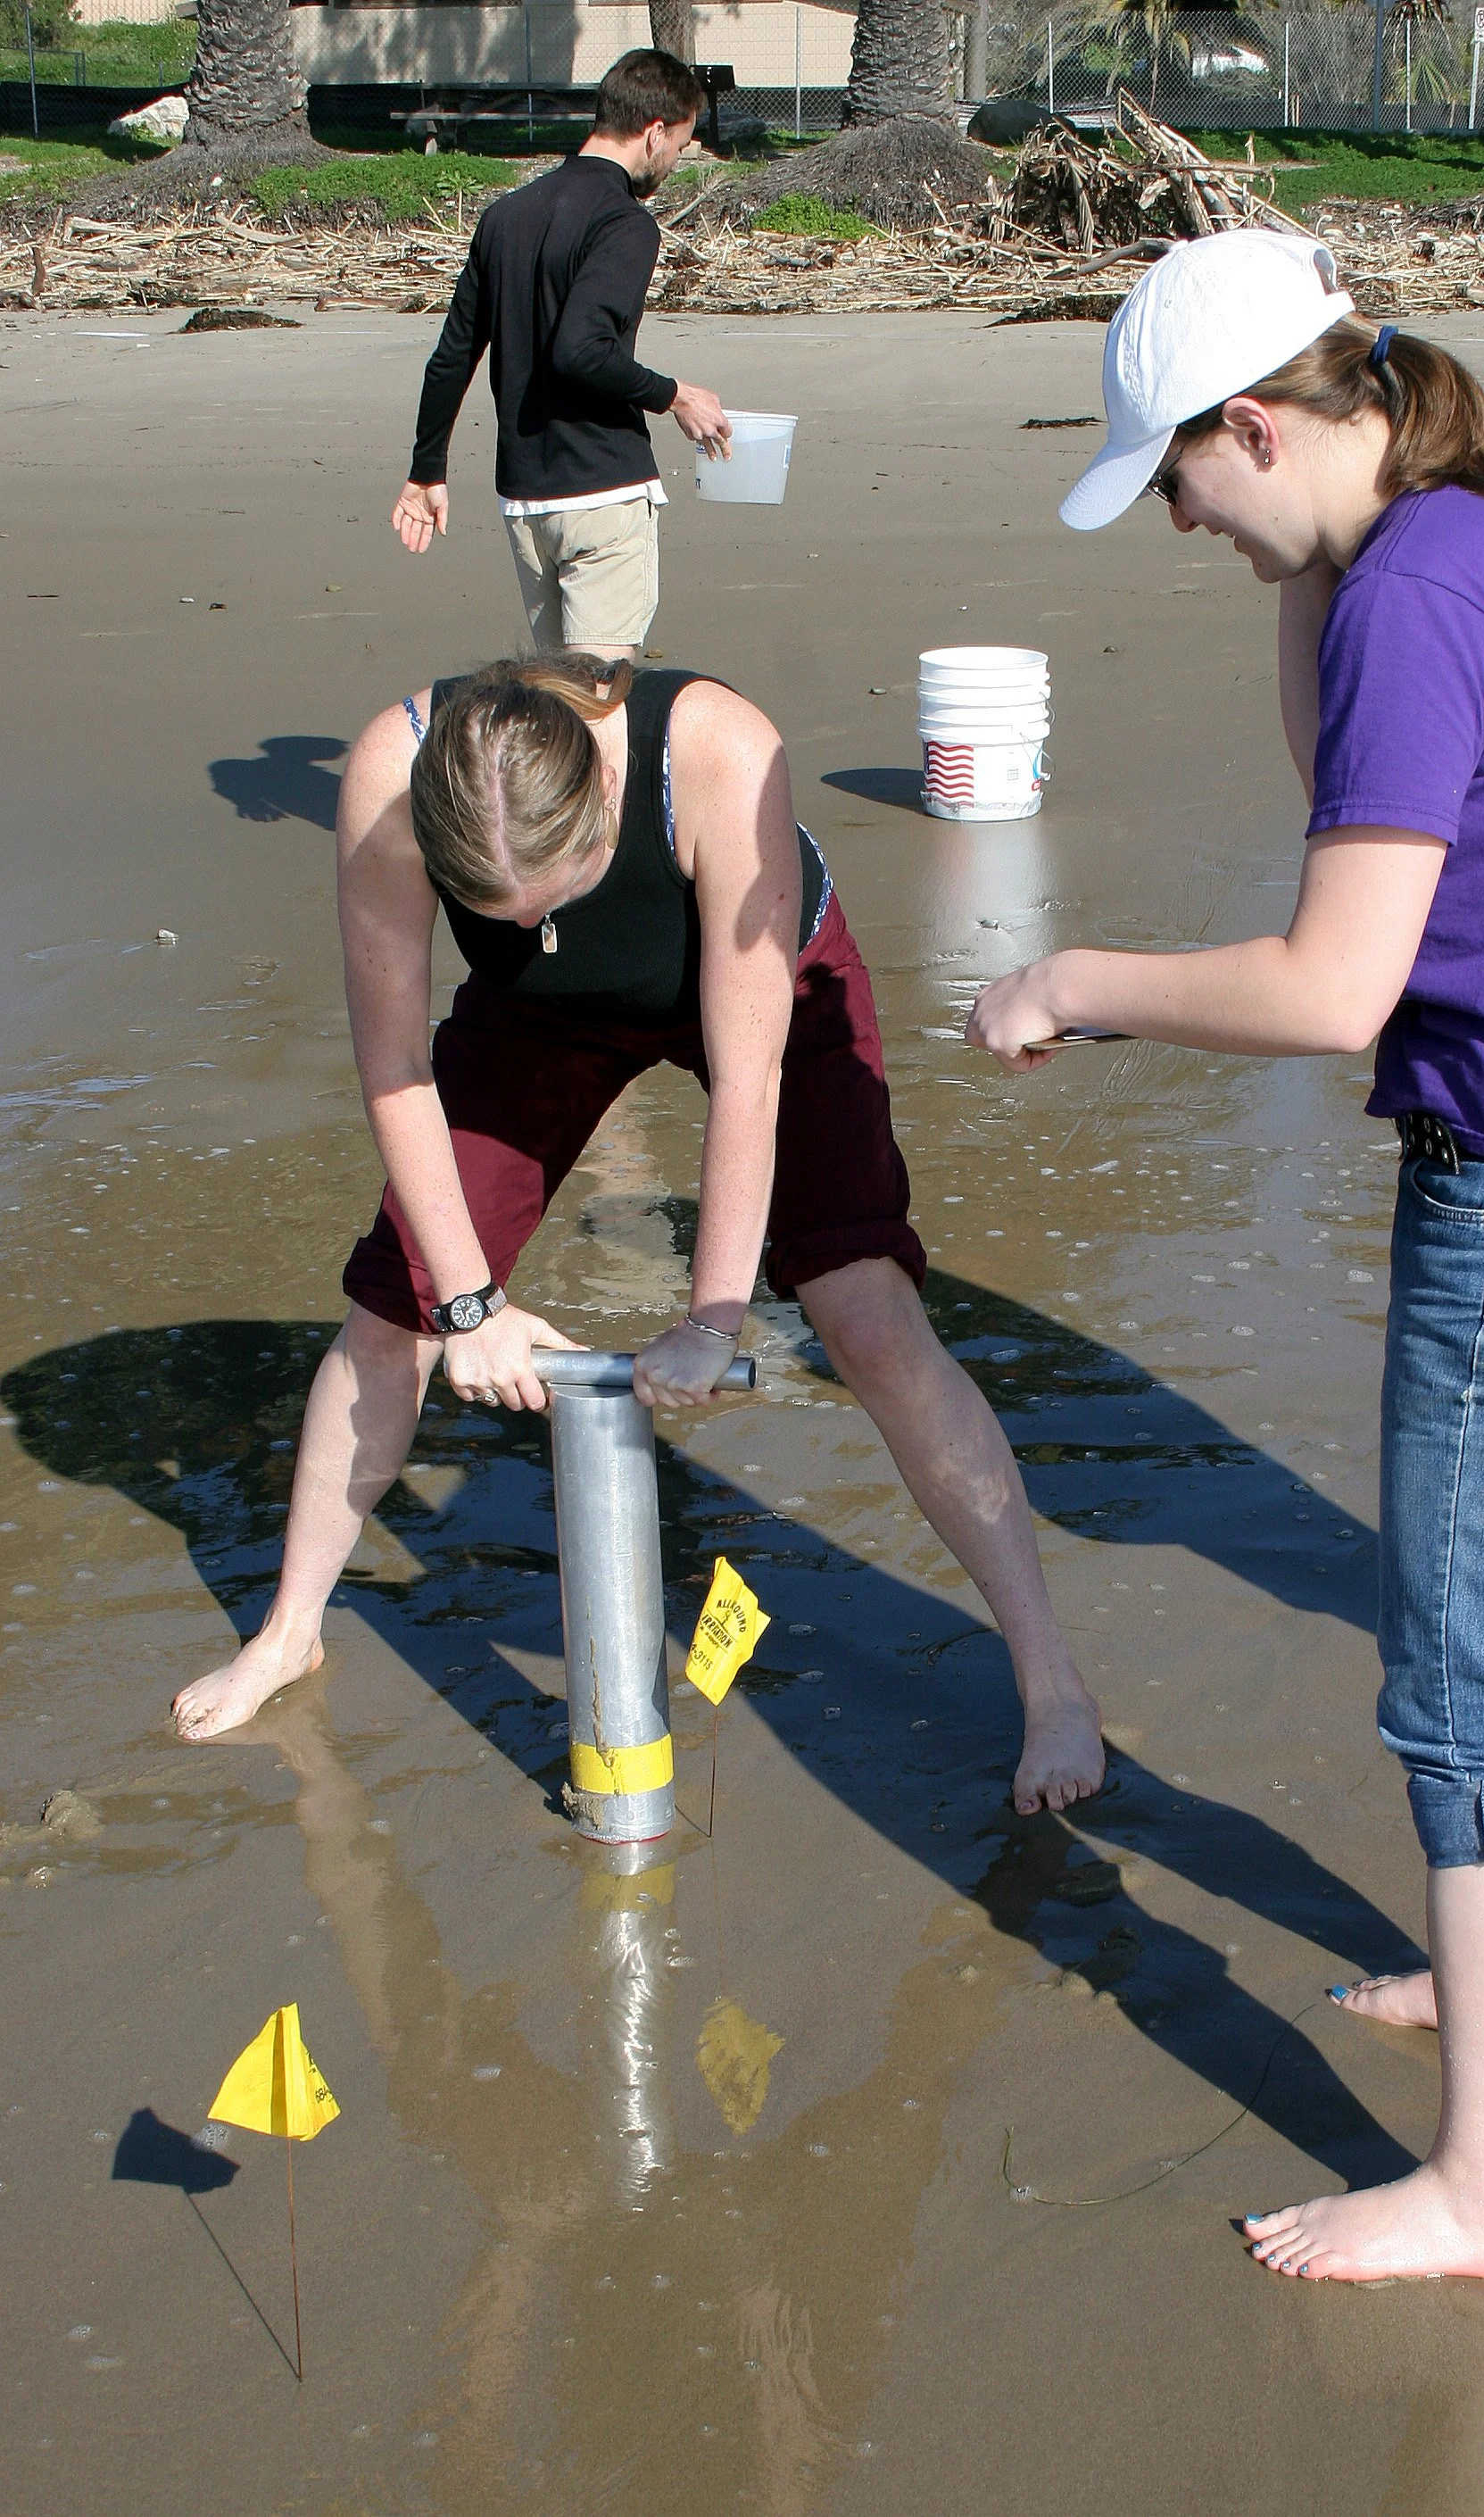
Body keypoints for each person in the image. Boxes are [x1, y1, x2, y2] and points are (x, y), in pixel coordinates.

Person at [967, 230, 1484, 2280]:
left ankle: (1479, 2184)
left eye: (1178, 477)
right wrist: (1294, 563)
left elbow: (1330, 982)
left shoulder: (1408, 582)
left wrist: (1075, 978)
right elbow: (1355, 788)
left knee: (1473, 1689)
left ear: (1253, 422)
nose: (1172, 518)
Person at [170, 654, 1105, 1821]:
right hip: (531, 1024)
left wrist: (717, 1314)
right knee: (392, 1311)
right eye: (500, 913)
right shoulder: (385, 778)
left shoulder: (716, 752)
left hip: (767, 989)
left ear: (605, 808)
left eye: (559, 895)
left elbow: (748, 1081)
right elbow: (393, 1063)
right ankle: (290, 1631)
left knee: (866, 1315)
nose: (539, 923)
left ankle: (1048, 1676)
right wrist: (466, 1303)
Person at [392, 48, 733, 662]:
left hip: (526, 499)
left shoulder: (505, 217)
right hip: (601, 488)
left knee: (557, 708)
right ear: (654, 134)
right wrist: (675, 394)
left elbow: (451, 358)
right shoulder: (625, 223)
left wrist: (426, 471)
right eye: (680, 146)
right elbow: (581, 349)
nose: (676, 161)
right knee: (598, 701)